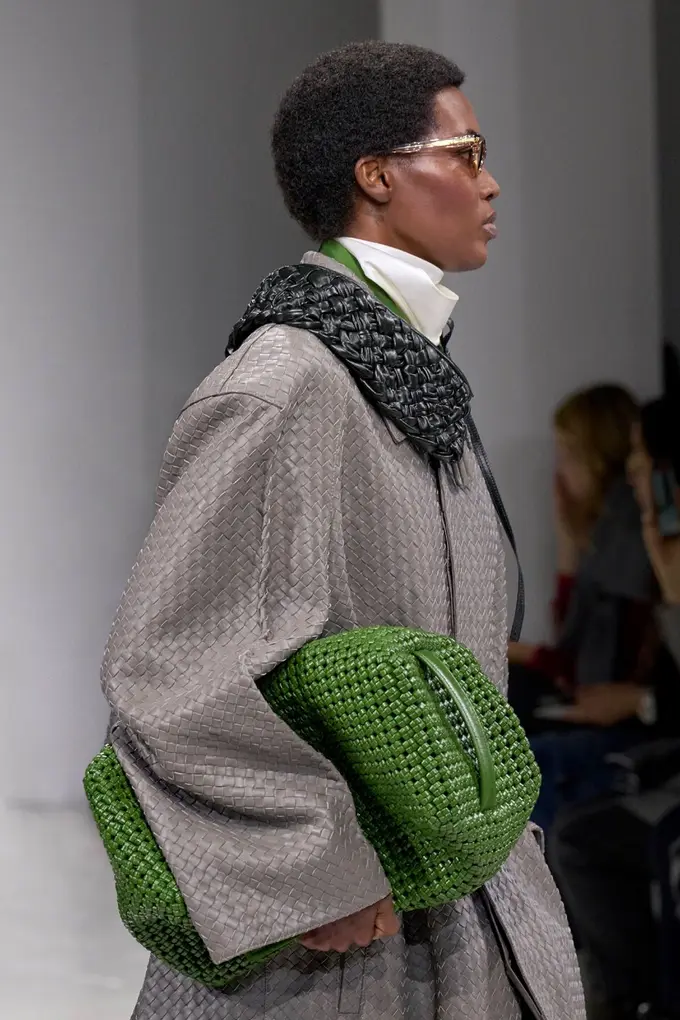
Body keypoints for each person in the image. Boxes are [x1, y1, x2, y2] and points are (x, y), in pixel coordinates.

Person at [102, 41, 583, 1020]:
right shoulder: (287, 385)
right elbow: (170, 666)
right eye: (465, 153)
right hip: (344, 951)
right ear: (376, 176)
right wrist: (314, 868)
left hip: (452, 910)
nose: (489, 183)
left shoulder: (399, 371)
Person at [550, 411, 680, 1020]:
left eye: (641, 462)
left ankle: (617, 992)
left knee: (550, 800)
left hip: (648, 734)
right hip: (640, 726)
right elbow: (574, 648)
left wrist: (639, 701)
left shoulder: (636, 549)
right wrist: (568, 539)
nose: (633, 475)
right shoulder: (623, 542)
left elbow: (584, 662)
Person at [508, 386, 656, 832]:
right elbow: (575, 645)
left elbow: (582, 671)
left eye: (569, 455)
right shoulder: (608, 534)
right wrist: (568, 544)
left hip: (634, 725)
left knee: (519, 766)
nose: (560, 470)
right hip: (608, 708)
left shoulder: (628, 540)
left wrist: (518, 651)